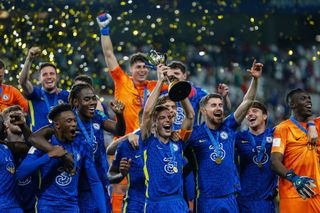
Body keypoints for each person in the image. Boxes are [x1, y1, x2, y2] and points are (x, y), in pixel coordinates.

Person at [96, 13, 167, 212]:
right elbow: (109, 54)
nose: (143, 70)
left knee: (148, 182)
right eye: (138, 67)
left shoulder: (156, 85)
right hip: (124, 141)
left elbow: (179, 90)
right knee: (120, 184)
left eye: (145, 67)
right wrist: (104, 30)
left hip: (149, 141)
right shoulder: (122, 80)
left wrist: (166, 73)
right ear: (131, 69)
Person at [29, 83, 126, 213]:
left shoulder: (97, 116)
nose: (92, 102)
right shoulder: (68, 120)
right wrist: (58, 153)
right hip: (77, 183)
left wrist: (119, 115)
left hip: (98, 176)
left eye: (93, 98)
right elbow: (35, 137)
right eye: (87, 99)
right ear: (76, 102)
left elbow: (119, 130)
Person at [186, 59, 262, 212]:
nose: (218, 107)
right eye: (213, 105)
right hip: (206, 199)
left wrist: (255, 79)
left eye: (220, 105)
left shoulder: (228, 126)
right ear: (203, 110)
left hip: (230, 197)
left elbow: (247, 102)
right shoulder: (195, 134)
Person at [16, 104, 107, 213]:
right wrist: (49, 155)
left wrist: (103, 211)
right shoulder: (43, 145)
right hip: (47, 205)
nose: (74, 124)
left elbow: (95, 182)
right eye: (69, 121)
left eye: (75, 121)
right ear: (57, 125)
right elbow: (20, 174)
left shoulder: (82, 145)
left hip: (71, 206)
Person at [138, 64, 194, 212]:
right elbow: (148, 112)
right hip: (155, 204)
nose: (167, 120)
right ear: (155, 123)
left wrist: (178, 89)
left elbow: (190, 115)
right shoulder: (147, 140)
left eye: (170, 117)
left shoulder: (178, 140)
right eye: (162, 117)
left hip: (177, 203)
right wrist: (160, 81)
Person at [270, 88, 320, 212]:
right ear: (292, 104)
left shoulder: (317, 125)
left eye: (309, 98)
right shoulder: (283, 128)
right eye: (303, 98)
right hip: (294, 194)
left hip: (316, 194)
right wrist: (295, 179)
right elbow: (274, 162)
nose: (309, 101)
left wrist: (311, 123)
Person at [235, 101, 277, 212]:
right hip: (242, 201)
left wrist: (311, 123)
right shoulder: (239, 138)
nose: (250, 114)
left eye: (255, 111)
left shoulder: (276, 135)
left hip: (265, 201)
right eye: (247, 112)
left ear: (265, 115)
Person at [19, 47, 69, 131]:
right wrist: (29, 59)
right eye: (44, 74)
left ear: (57, 78)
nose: (49, 77)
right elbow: (23, 82)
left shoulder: (65, 95)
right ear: (39, 79)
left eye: (52, 74)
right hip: (38, 142)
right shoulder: (35, 93)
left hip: (61, 141)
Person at [1, 106, 35, 213]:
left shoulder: (36, 143)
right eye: (13, 117)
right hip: (8, 206)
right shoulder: (3, 149)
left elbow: (30, 145)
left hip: (32, 206)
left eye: (20, 116)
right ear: (5, 124)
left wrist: (23, 125)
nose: (17, 119)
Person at [0, 114, 24, 212]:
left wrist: (23, 126)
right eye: (1, 124)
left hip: (13, 206)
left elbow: (30, 144)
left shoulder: (5, 147)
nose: (5, 126)